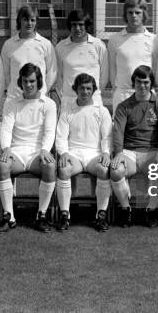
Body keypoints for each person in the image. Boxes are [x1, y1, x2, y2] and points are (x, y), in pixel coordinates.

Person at [0, 63, 58, 233]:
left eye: (32, 81)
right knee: (2, 166)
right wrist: (6, 148)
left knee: (51, 166)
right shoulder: (11, 103)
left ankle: (42, 216)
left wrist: (45, 149)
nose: (28, 85)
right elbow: (6, 128)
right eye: (25, 81)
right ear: (20, 82)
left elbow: (49, 130)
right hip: (16, 151)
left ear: (39, 81)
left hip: (37, 152)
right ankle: (9, 217)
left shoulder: (49, 104)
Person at [110, 65, 158, 228]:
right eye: (138, 82)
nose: (142, 86)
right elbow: (118, 132)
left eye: (146, 82)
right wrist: (119, 153)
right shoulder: (124, 106)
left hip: (151, 152)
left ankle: (151, 210)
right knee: (115, 171)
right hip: (129, 152)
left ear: (152, 84)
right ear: (133, 83)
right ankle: (126, 210)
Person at [55, 73, 112, 232]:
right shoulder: (67, 111)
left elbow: (107, 136)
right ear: (75, 89)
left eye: (88, 88)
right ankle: (65, 215)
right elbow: (61, 136)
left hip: (95, 154)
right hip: (74, 154)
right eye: (82, 88)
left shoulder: (102, 111)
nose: (85, 91)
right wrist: (64, 153)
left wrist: (106, 153)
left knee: (103, 169)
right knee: (64, 169)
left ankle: (101, 215)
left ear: (94, 90)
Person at [108, 0, 158, 111]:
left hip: (146, 94)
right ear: (125, 15)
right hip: (122, 95)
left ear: (144, 14)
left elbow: (156, 69)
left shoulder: (153, 40)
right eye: (130, 12)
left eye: (138, 12)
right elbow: (112, 69)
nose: (133, 16)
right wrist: (116, 89)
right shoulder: (115, 39)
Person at [0, 5, 57, 101]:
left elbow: (52, 71)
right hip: (15, 99)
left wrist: (42, 91)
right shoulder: (8, 45)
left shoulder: (45, 44)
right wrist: (14, 90)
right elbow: (5, 73)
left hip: (38, 99)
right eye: (25, 19)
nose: (29, 23)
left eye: (33, 20)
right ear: (19, 21)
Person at [55, 9, 108, 110]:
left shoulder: (98, 45)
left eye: (81, 24)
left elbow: (104, 75)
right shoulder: (60, 47)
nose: (77, 28)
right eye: (74, 25)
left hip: (93, 100)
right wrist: (67, 94)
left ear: (86, 25)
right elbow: (59, 76)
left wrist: (92, 92)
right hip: (69, 101)